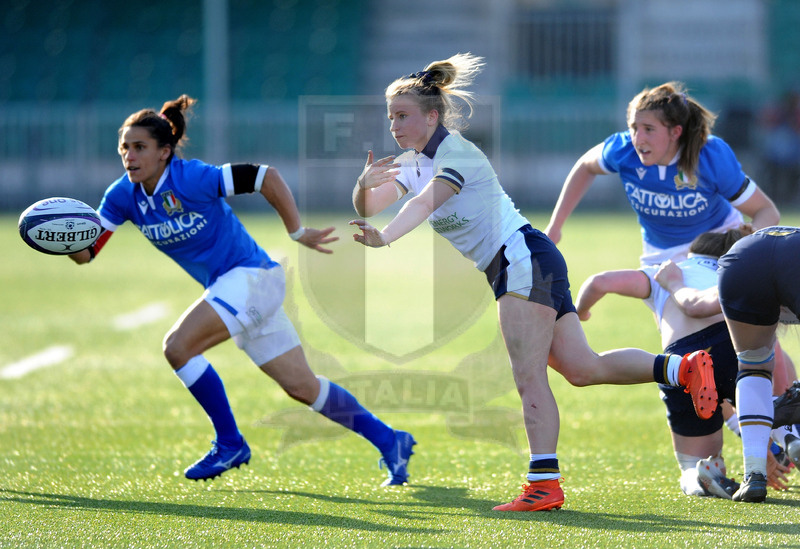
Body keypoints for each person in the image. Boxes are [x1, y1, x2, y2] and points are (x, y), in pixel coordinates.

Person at [349, 54, 715, 512]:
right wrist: (363, 187)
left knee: (528, 377)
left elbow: (424, 204)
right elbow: (371, 204)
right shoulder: (411, 162)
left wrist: (384, 238)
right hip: (528, 258)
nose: (395, 126)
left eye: (402, 116)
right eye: (390, 118)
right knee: (583, 369)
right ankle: (683, 369)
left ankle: (544, 484)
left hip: (519, 257)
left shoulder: (456, 153)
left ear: (432, 115)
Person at [67, 95, 416, 486]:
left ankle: (229, 442)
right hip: (237, 287)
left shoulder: (192, 177)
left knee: (177, 347)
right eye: (124, 149)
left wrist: (296, 230)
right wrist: (54, 237)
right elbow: (87, 253)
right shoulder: (121, 196)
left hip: (251, 277)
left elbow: (266, 176)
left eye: (139, 147)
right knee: (303, 387)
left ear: (165, 152)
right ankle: (391, 440)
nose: (129, 156)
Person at [576, 226, 798, 498]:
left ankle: (702, 474)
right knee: (761, 377)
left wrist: (581, 312)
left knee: (691, 462)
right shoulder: (740, 268)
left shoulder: (669, 271)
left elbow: (600, 282)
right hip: (731, 340)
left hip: (682, 359)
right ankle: (788, 435)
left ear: (692, 252)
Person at [545, 81, 779, 267]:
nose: (638, 139)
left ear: (675, 132)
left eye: (649, 129)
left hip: (714, 252)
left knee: (700, 315)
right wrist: (555, 227)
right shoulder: (623, 150)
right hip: (660, 259)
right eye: (634, 128)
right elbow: (585, 167)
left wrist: (741, 248)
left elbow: (766, 211)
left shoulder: (709, 156)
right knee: (682, 324)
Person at [717, 225, 800, 502]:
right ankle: (793, 403)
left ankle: (753, 475)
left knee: (752, 366)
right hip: (791, 256)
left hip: (741, 260)